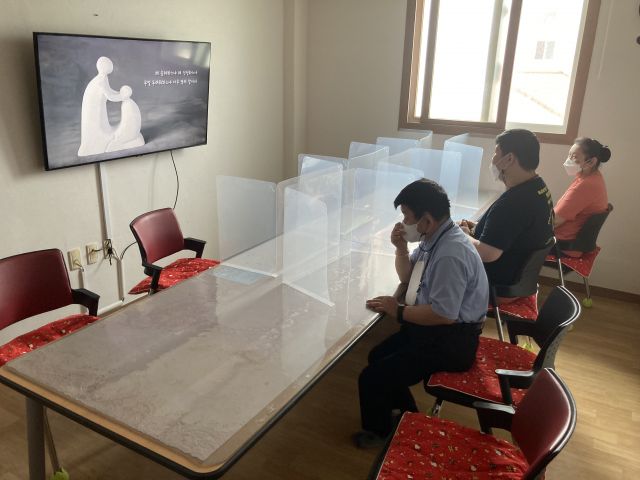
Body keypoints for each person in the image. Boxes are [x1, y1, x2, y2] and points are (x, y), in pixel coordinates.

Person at [354, 179, 489, 448]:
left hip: (452, 340)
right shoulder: (435, 238)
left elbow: (443, 315)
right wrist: (401, 249)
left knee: (371, 378)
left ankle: (379, 433)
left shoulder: (450, 253)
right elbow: (408, 276)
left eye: (407, 216)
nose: (403, 222)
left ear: (426, 219)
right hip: (436, 331)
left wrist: (398, 311)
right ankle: (408, 417)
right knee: (377, 357)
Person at [460, 129, 553, 289]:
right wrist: (477, 227)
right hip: (518, 277)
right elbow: (509, 229)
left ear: (509, 159)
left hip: (493, 281)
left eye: (496, 153)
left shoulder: (515, 202)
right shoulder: (537, 187)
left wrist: (461, 234)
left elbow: (487, 254)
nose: (493, 159)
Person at [554, 138, 610, 257]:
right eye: (569, 155)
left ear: (591, 162)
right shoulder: (593, 177)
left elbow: (554, 221)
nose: (569, 160)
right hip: (571, 243)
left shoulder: (586, 185)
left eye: (574, 157)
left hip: (562, 245)